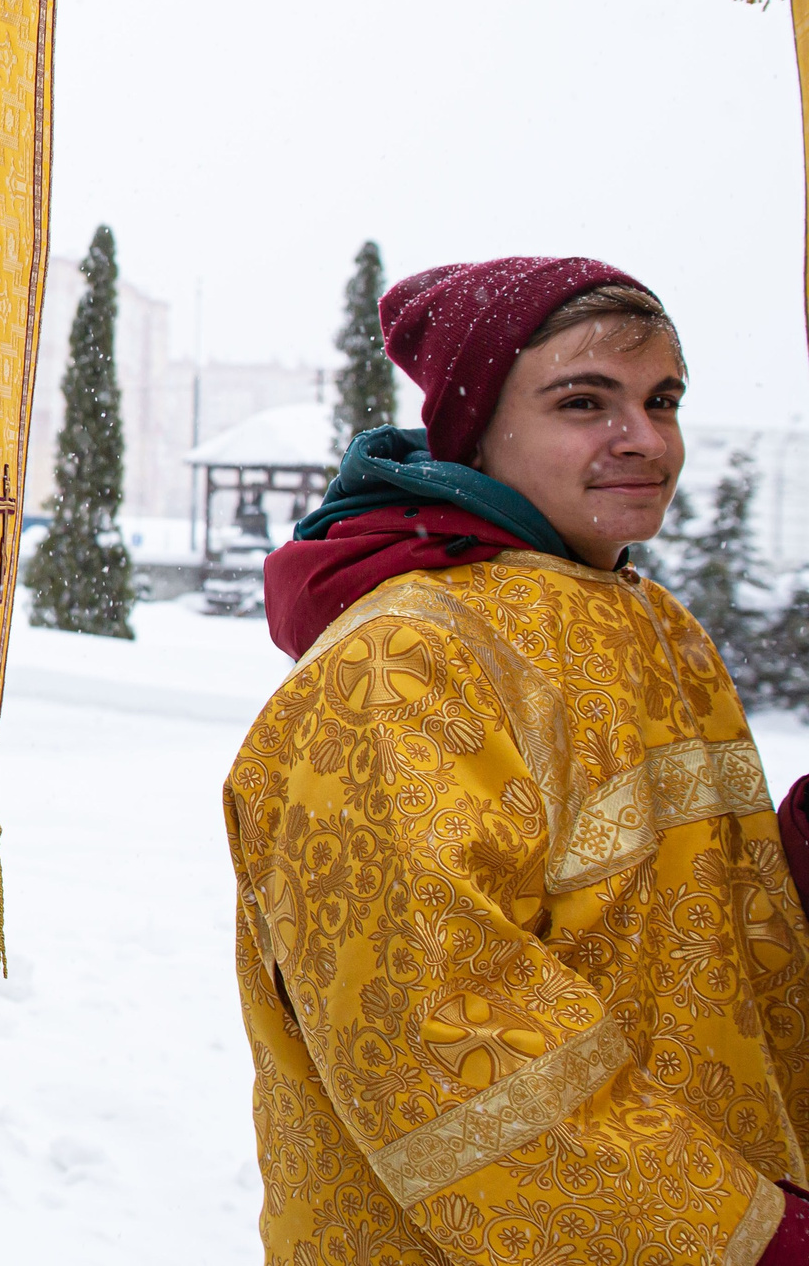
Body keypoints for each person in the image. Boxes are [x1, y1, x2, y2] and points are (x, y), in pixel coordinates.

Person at [230, 258, 809, 1263]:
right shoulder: (400, 664)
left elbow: (697, 913)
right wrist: (738, 1234)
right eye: (583, 400)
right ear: (475, 431)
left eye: (660, 399)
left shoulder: (649, 618)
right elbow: (446, 1041)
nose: (642, 437)